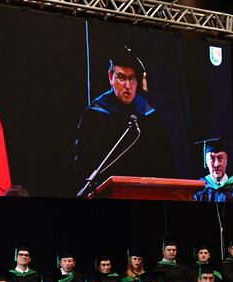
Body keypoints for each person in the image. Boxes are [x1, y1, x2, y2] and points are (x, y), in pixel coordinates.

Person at [73, 45, 174, 196]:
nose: (127, 85)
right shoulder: (95, 114)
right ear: (110, 77)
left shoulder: (149, 116)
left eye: (132, 78)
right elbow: (82, 166)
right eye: (121, 77)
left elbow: (165, 165)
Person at [192, 137, 233, 202]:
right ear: (206, 161)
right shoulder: (199, 189)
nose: (216, 165)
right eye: (212, 159)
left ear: (226, 160)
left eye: (220, 158)